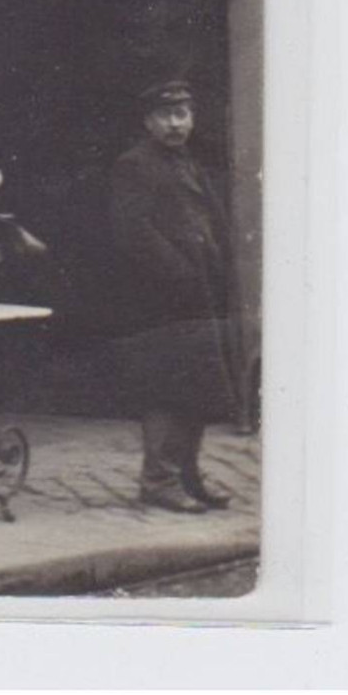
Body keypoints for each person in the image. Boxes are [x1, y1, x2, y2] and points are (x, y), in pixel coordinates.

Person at [110, 79, 238, 513]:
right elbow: (133, 231)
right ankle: (158, 480)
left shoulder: (187, 163)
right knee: (166, 389)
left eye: (182, 113)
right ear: (148, 122)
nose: (175, 123)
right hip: (161, 299)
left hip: (201, 294)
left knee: (198, 386)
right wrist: (178, 273)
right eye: (165, 115)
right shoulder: (135, 165)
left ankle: (188, 475)